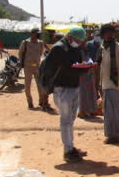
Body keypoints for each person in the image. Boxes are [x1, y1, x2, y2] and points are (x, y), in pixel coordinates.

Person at [41, 26, 93, 162]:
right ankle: (68, 150)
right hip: (62, 88)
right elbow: (65, 68)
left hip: (74, 86)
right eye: (78, 40)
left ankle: (71, 146)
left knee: (71, 119)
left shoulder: (74, 47)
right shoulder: (59, 48)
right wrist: (83, 69)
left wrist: (85, 66)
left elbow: (75, 65)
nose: (79, 43)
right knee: (65, 120)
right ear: (70, 37)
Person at [19, 28, 51, 111]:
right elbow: (20, 53)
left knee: (40, 85)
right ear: (32, 34)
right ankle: (30, 102)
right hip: (28, 66)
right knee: (27, 86)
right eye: (36, 33)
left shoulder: (40, 43)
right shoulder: (25, 42)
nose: (38, 35)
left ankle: (41, 101)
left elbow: (41, 52)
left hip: (37, 66)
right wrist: (23, 63)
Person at [78, 34, 101, 118]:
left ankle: (91, 110)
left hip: (89, 72)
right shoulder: (78, 50)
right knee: (83, 93)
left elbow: (88, 59)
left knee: (91, 92)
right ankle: (83, 111)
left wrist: (91, 64)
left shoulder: (86, 49)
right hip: (82, 74)